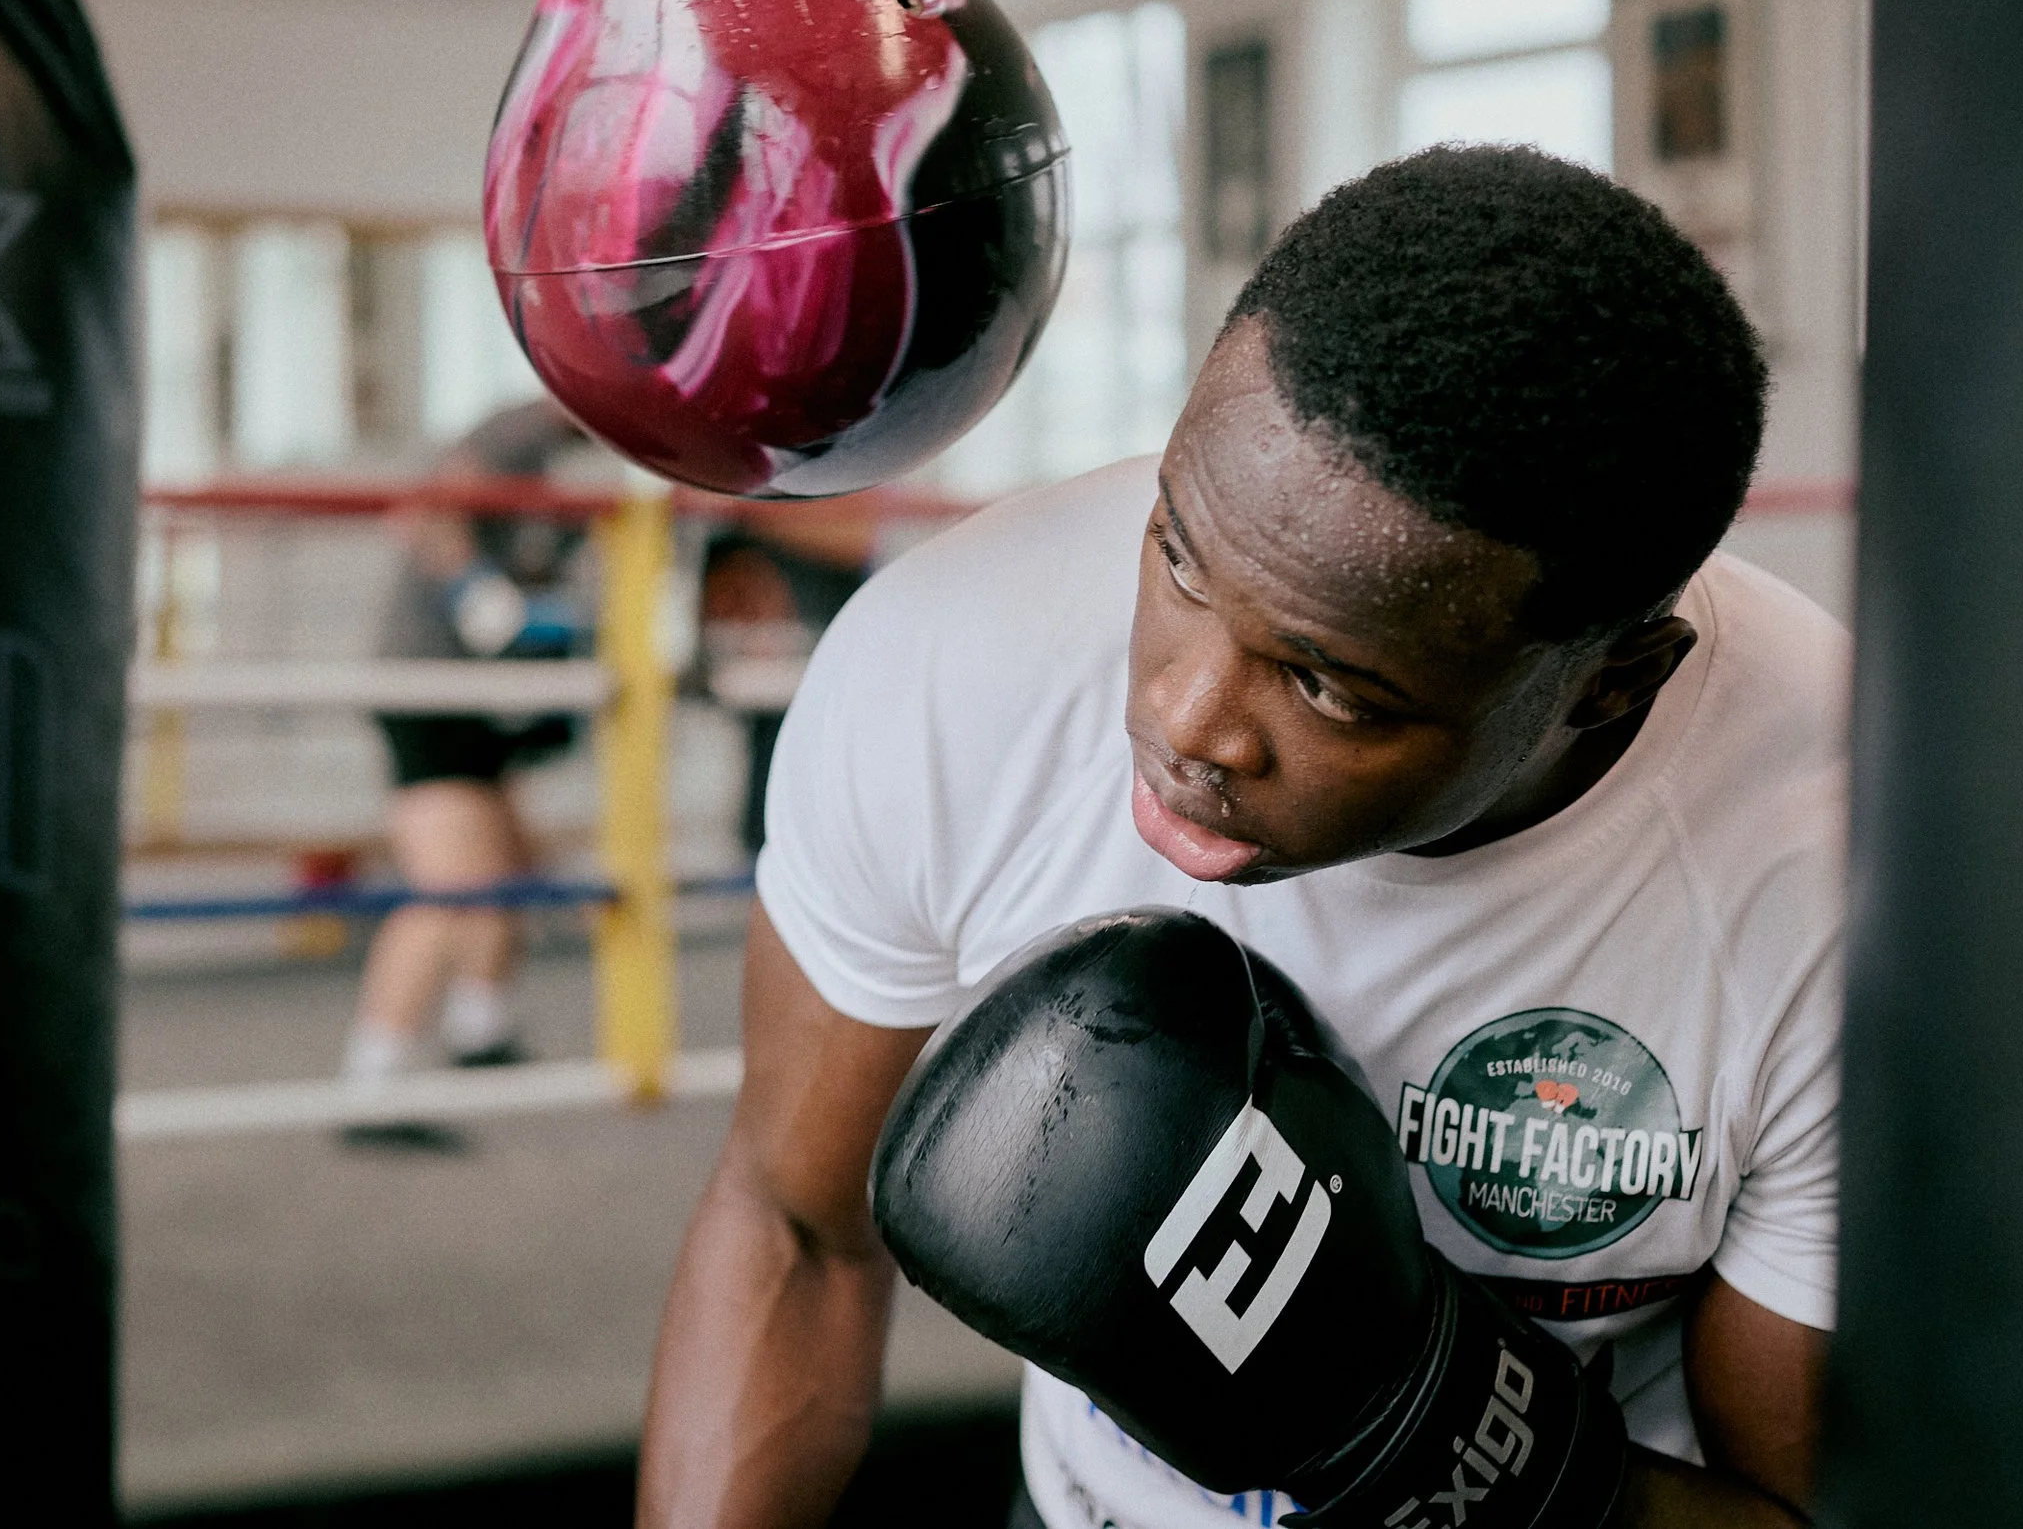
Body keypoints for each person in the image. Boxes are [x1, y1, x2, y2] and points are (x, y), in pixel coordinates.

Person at [640, 147, 1838, 1529]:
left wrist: (1423, 1432)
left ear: (1612, 681)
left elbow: (1796, 1508)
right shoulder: (955, 666)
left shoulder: (1826, 876)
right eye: (1178, 555)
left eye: (1328, 683)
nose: (1185, 717)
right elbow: (794, 1226)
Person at [340, 399, 597, 1090]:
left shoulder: (596, 461)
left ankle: (479, 1026)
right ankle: (372, 1077)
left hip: (478, 694)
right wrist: (476, 596)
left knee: (507, 864)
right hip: (427, 686)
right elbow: (432, 508)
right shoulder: (524, 429)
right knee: (452, 886)